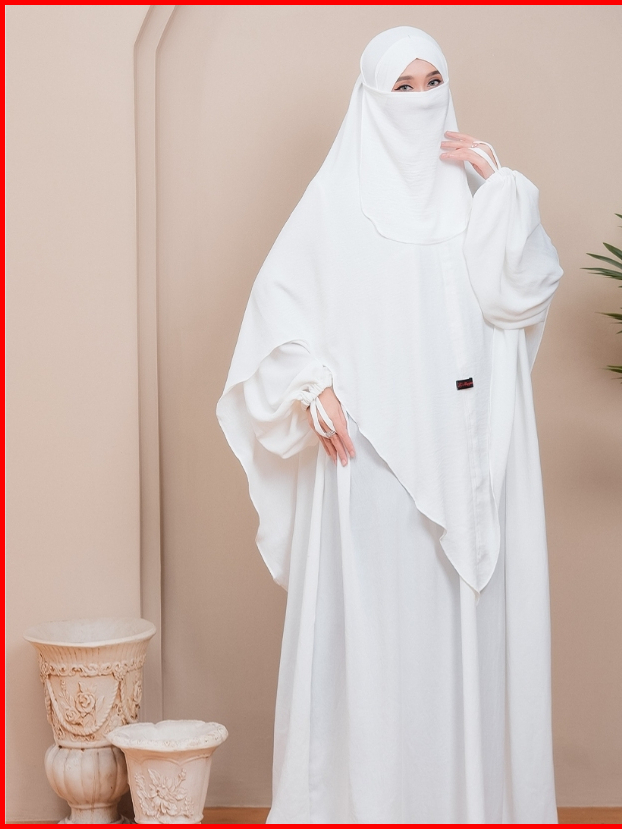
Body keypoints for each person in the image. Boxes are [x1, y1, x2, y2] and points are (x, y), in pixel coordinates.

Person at [217, 26, 563, 824]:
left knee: (461, 637)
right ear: (371, 99)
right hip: (373, 462)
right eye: (401, 87)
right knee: (383, 644)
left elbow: (519, 296)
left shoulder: (474, 202)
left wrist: (502, 189)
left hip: (470, 457)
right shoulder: (334, 203)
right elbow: (276, 322)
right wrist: (313, 388)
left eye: (432, 82)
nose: (419, 101)